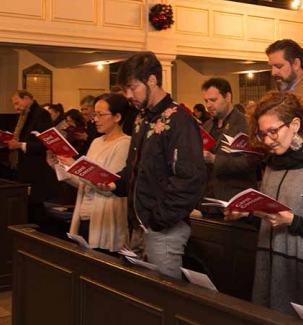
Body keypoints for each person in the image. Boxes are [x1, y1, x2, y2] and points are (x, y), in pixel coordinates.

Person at [226, 91, 303, 316]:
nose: (268, 140)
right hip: (270, 267)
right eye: (262, 134)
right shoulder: (271, 166)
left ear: (294, 124)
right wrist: (247, 215)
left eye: (273, 131)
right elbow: (272, 220)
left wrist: (293, 221)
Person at [110, 51, 206, 278]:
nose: (128, 95)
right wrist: (115, 184)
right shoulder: (141, 118)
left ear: (152, 80)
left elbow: (189, 178)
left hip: (161, 229)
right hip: (139, 224)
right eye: (125, 89)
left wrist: (156, 220)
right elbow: (136, 168)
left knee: (163, 299)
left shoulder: (179, 119)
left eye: (132, 87)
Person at [49, 93, 131, 252]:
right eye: (94, 114)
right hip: (84, 215)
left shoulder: (124, 144)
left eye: (101, 114)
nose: (95, 119)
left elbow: (109, 188)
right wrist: (59, 167)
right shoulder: (96, 142)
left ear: (117, 117)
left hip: (104, 218)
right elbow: (84, 184)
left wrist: (76, 166)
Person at [201, 77, 261, 201]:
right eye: (206, 101)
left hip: (235, 198)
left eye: (213, 100)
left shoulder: (246, 124)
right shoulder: (207, 125)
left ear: (227, 97)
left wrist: (214, 159)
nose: (208, 106)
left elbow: (251, 162)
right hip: (208, 198)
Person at [4, 90, 58, 225]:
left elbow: (46, 143)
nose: (16, 108)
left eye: (17, 103)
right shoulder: (23, 115)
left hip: (36, 168)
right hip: (23, 167)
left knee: (36, 208)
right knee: (28, 207)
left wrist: (20, 145)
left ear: (27, 98)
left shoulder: (41, 114)